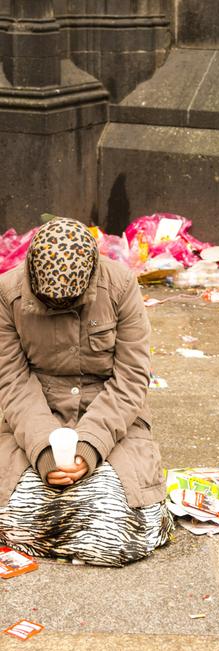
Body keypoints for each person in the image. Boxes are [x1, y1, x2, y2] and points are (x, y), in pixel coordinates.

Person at [0, 217, 173, 566]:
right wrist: (43, 450)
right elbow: (13, 381)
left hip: (111, 417)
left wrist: (90, 445)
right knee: (22, 505)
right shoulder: (7, 293)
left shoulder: (121, 285)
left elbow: (131, 378)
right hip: (33, 415)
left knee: (118, 525)